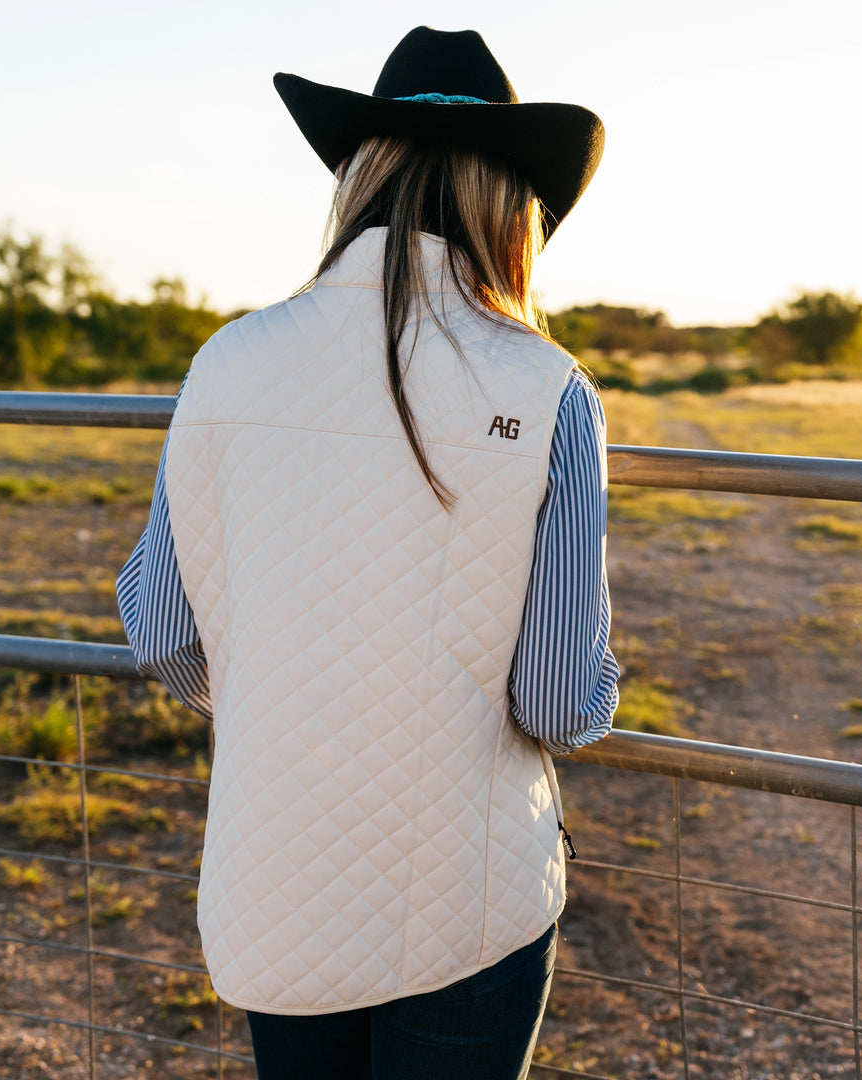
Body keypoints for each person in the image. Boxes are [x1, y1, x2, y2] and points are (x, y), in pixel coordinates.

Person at [117, 26, 620, 1080]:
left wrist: (285, 701)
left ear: (356, 179)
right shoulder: (548, 388)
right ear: (513, 207)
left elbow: (159, 624)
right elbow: (559, 701)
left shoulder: (226, 360)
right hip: (468, 902)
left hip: (274, 881)